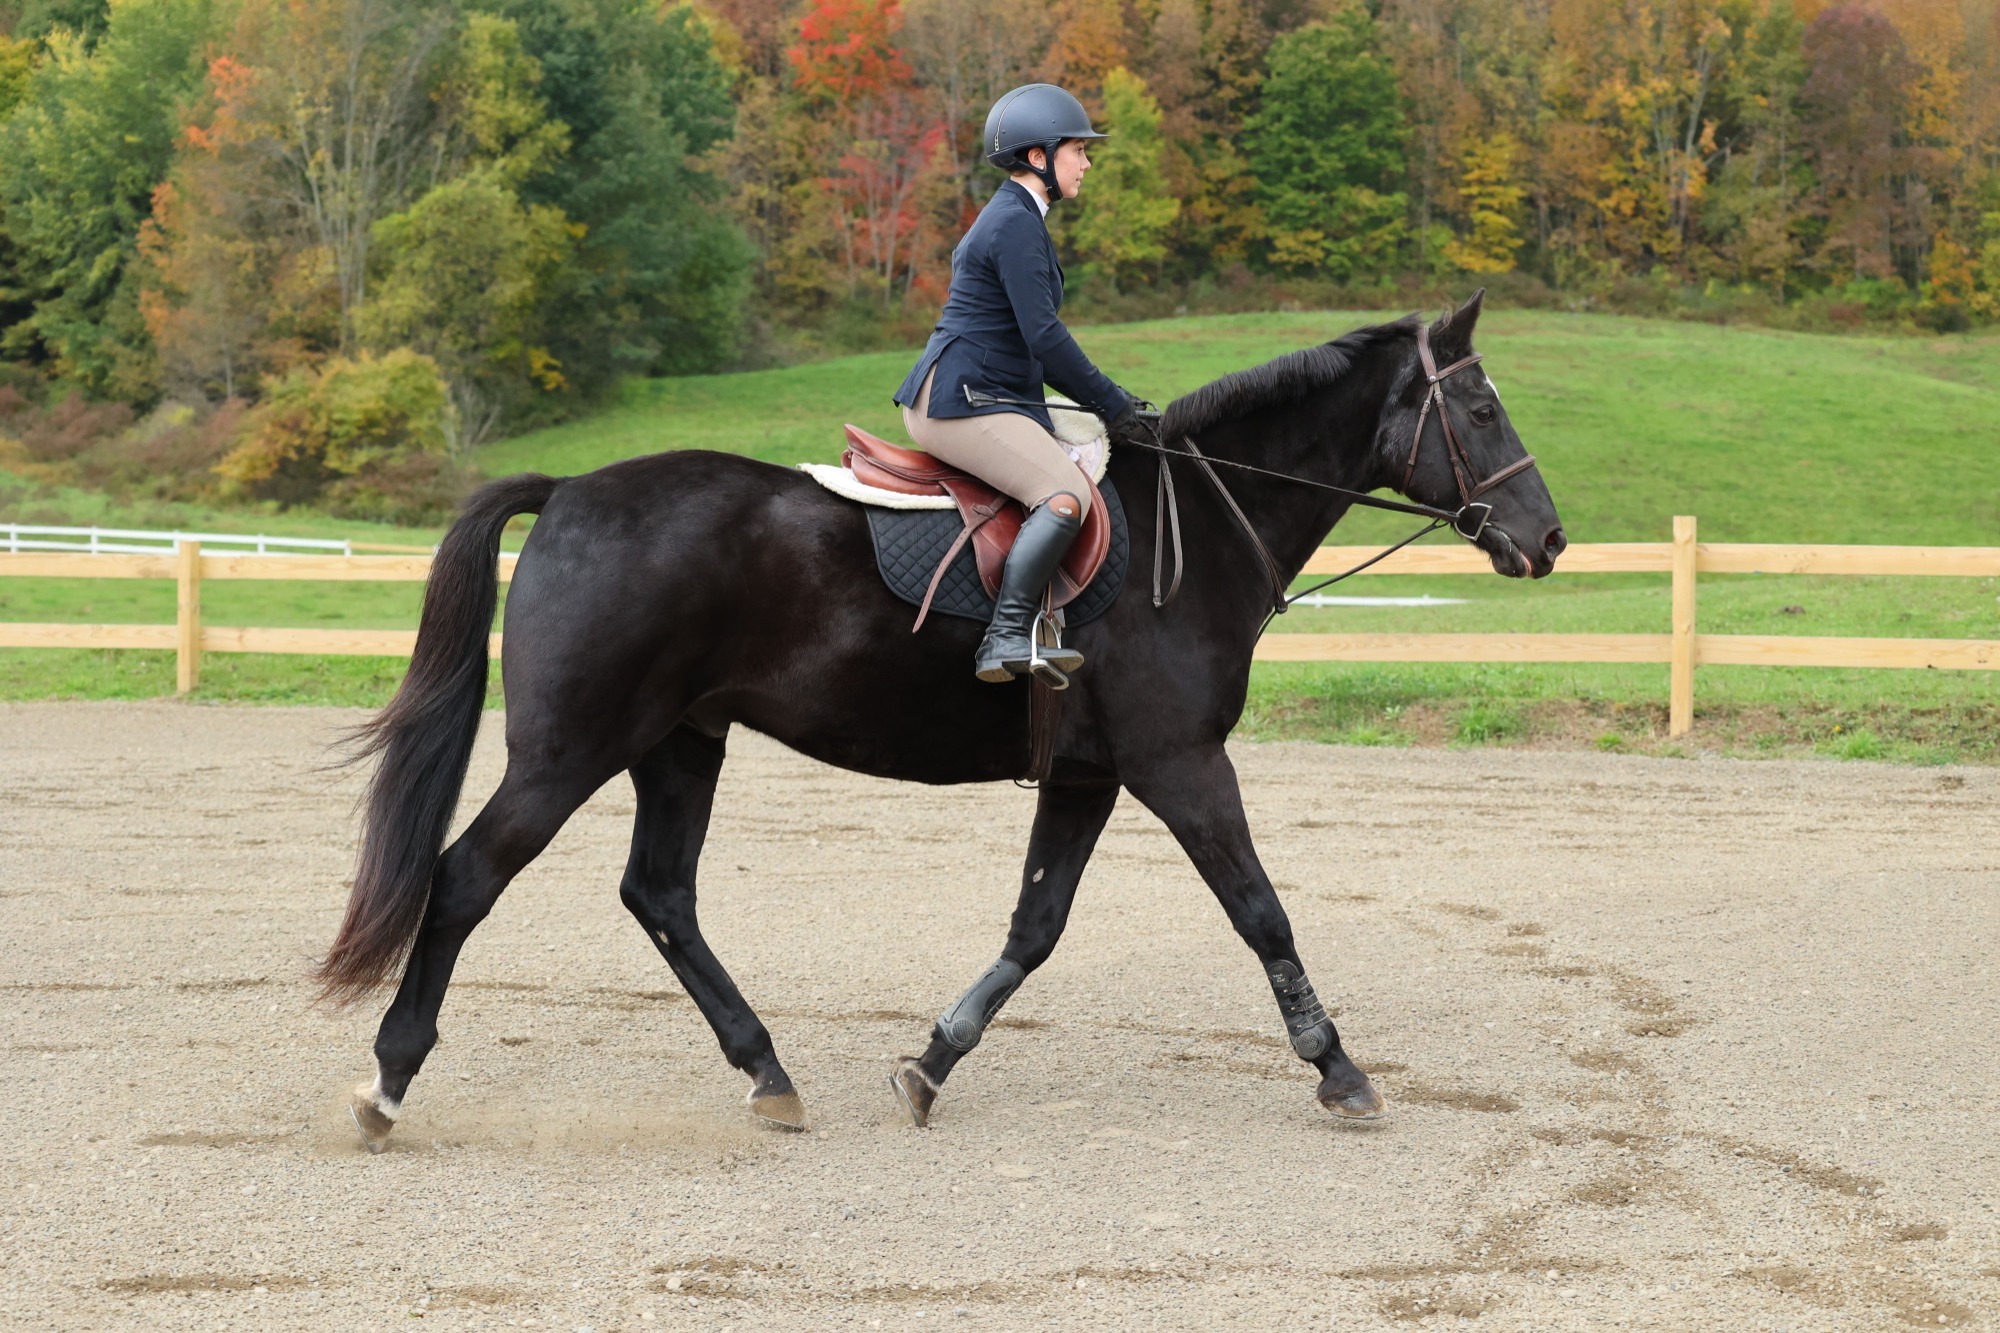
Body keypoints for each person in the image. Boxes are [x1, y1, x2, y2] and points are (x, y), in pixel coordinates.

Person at [894, 83, 1145, 684]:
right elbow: (1045, 339)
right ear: (1039, 157)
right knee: (1064, 496)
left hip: (990, 394)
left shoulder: (1020, 219)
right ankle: (1004, 636)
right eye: (1078, 150)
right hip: (962, 401)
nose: (1087, 162)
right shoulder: (1014, 224)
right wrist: (1114, 404)